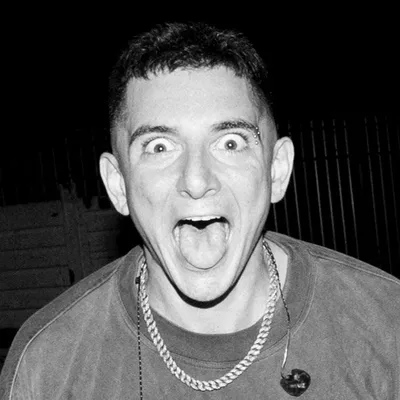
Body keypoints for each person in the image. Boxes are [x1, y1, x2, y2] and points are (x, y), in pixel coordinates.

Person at [1, 21, 399, 400]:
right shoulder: (49, 364)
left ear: (276, 171)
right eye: (159, 147)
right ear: (118, 184)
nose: (196, 180)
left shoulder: (386, 325)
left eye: (230, 143)